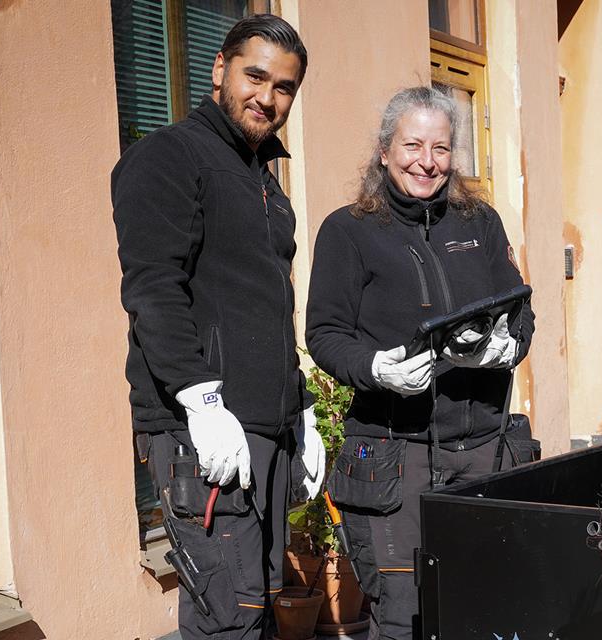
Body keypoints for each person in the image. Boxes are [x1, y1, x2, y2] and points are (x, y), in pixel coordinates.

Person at [111, 14, 324, 640]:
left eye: (284, 87)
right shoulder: (169, 157)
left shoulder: (263, 179)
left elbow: (266, 308)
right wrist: (200, 400)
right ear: (219, 70)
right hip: (201, 429)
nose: (267, 96)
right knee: (227, 623)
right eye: (255, 76)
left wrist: (301, 409)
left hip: (268, 429)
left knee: (258, 614)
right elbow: (153, 288)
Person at [305, 86, 537, 640]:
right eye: (412, 145)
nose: (426, 162)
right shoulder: (348, 230)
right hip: (394, 455)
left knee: (486, 606)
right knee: (403, 615)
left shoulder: (479, 223)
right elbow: (325, 334)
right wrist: (376, 368)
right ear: (384, 150)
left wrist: (508, 346)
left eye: (441, 148)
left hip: (484, 449)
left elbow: (520, 311)